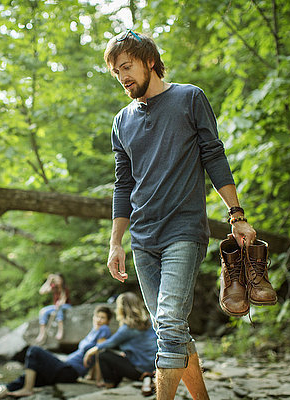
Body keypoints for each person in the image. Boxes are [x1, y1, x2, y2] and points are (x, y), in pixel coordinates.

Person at [103, 30, 269, 400]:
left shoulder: (189, 98)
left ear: (149, 60)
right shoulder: (121, 121)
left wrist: (236, 214)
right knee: (170, 329)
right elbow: (122, 186)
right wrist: (116, 243)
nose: (122, 77)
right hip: (143, 240)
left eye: (126, 67)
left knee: (169, 323)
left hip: (184, 230)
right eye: (116, 72)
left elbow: (213, 155)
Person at [0, 306, 113, 399]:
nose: (99, 320)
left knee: (34, 351)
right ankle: (0, 394)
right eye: (97, 316)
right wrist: (89, 376)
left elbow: (98, 354)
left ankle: (27, 389)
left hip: (70, 371)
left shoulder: (104, 330)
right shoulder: (93, 331)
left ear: (108, 321)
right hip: (66, 367)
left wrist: (98, 379)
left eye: (103, 318)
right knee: (32, 375)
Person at [83, 292, 157, 394]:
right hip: (154, 368)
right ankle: (147, 378)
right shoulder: (150, 322)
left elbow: (110, 343)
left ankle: (109, 385)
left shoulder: (128, 328)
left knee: (103, 355)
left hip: (139, 370)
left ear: (121, 308)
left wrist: (89, 352)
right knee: (120, 357)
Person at [35, 273, 71, 343]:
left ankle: (60, 330)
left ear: (62, 279)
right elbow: (41, 291)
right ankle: (42, 333)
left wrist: (59, 303)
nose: (57, 280)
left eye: (58, 279)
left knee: (59, 307)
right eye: (56, 279)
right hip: (56, 306)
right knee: (43, 311)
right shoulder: (54, 287)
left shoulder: (65, 288)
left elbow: (63, 301)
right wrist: (48, 281)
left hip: (66, 306)